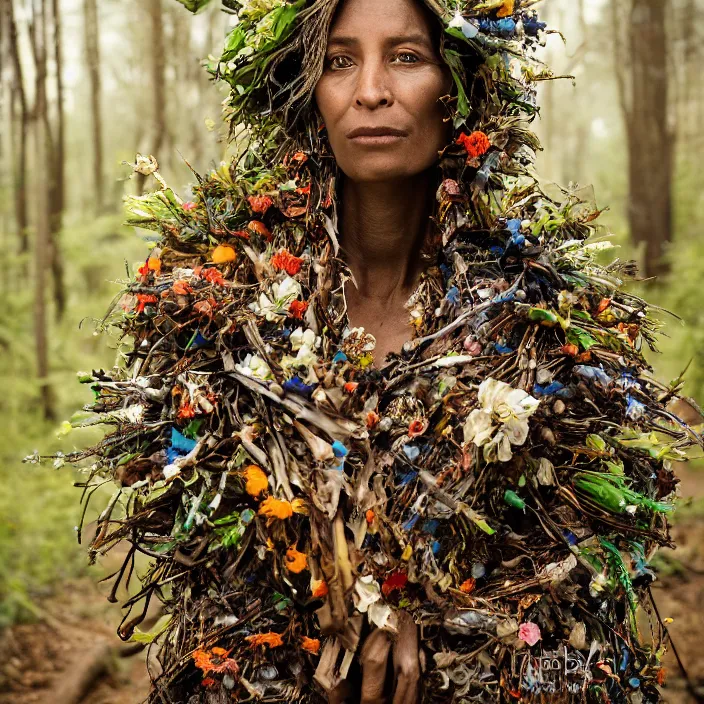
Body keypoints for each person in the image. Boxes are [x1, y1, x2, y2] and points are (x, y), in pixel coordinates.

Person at [51, 0, 698, 702]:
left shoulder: (547, 317)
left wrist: (436, 603)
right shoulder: (217, 307)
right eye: (339, 61)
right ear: (304, 92)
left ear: (460, 89)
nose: (370, 91)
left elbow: (581, 582)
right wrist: (343, 605)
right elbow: (205, 563)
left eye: (407, 56)